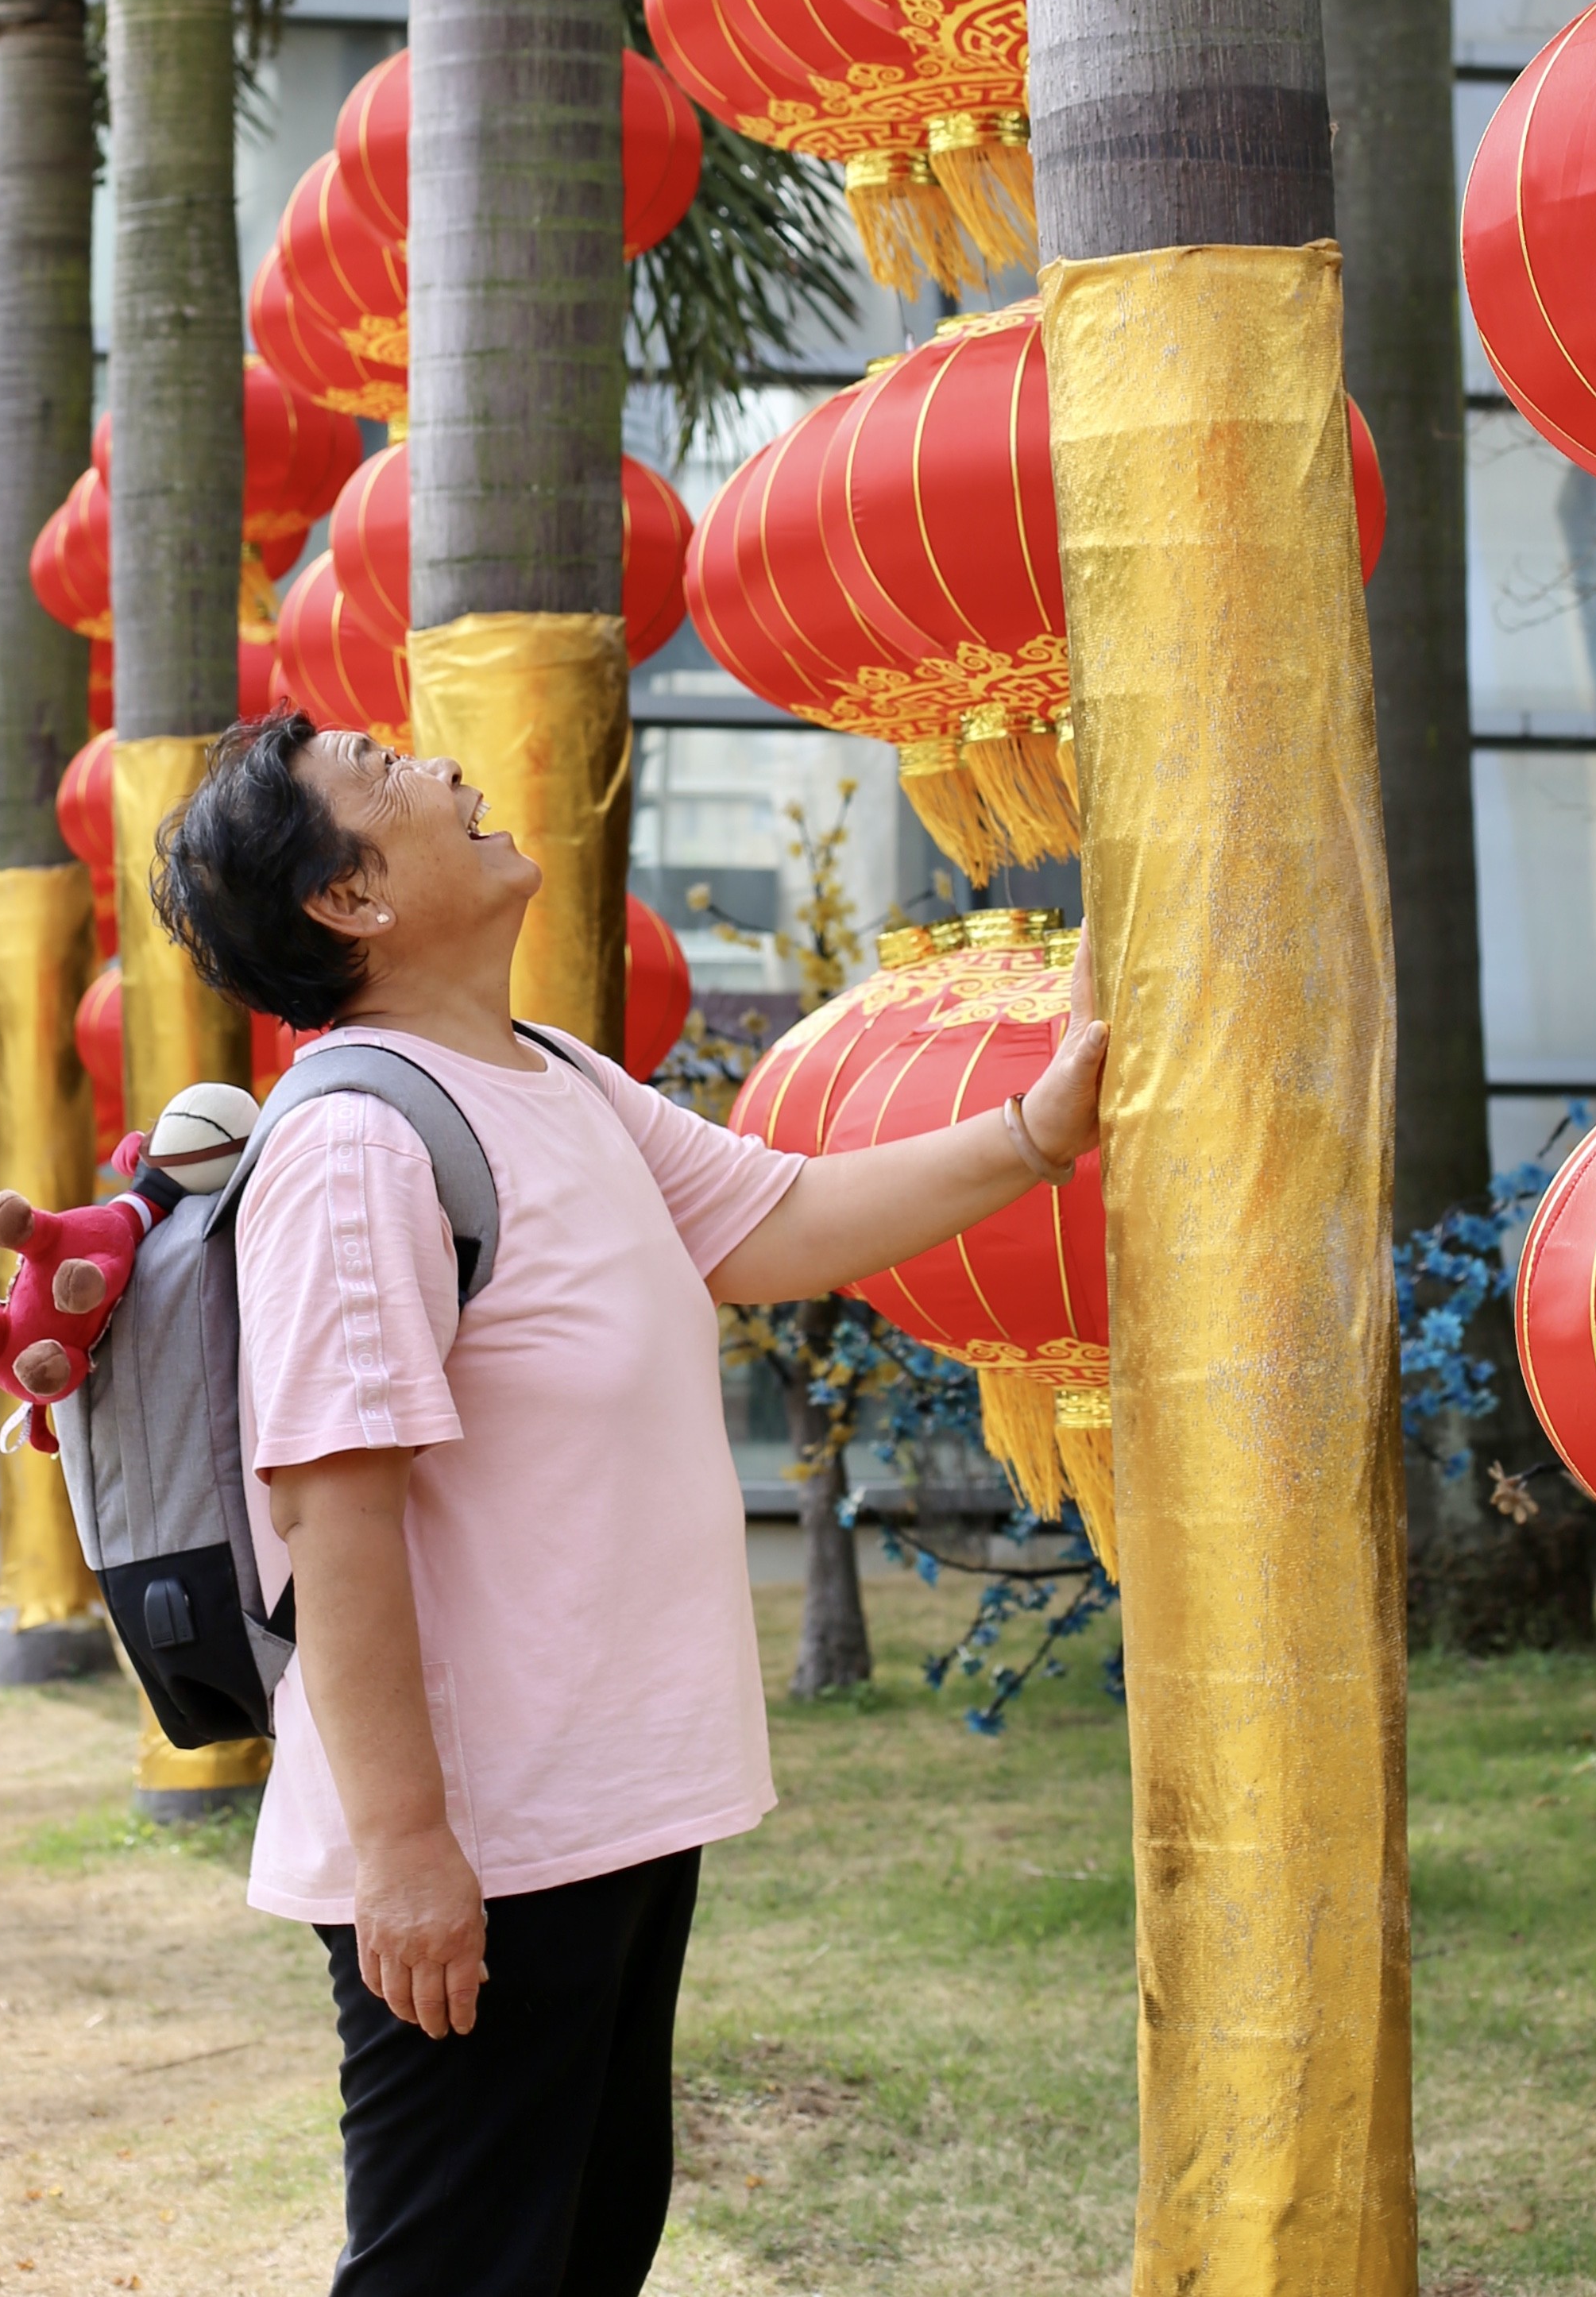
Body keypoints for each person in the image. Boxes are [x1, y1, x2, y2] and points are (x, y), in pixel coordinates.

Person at [150, 708, 1108, 2297]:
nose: (448, 772)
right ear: (351, 901)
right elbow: (336, 1513)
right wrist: (404, 1852)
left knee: (586, 2247)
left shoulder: (550, 1079)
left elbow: (778, 1220)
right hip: (480, 1833)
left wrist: (1035, 1132)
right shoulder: (357, 1142)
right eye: (389, 776)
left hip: (600, 1811)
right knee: (460, 2271)